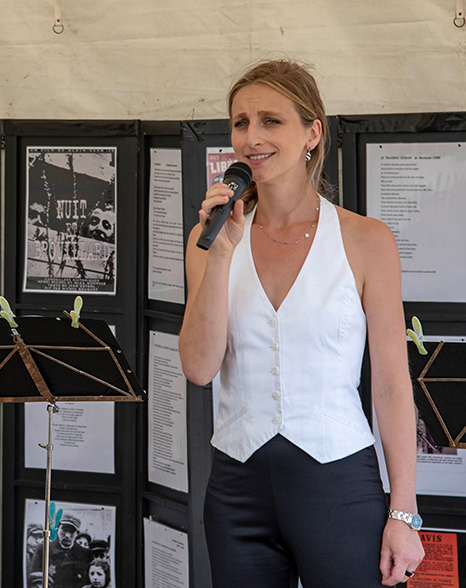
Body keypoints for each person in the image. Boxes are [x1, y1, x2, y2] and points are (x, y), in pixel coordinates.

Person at [179, 59, 425, 587]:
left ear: (312, 131)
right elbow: (198, 369)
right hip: (236, 488)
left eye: (271, 120)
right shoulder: (212, 241)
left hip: (338, 482)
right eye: (241, 122)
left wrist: (403, 512)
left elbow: (389, 383)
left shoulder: (366, 240)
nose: (252, 137)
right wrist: (220, 257)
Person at [30, 513, 90, 588]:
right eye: (64, 530)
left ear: (77, 533)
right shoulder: (43, 549)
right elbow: (35, 580)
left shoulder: (85, 554)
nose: (67, 535)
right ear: (58, 529)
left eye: (71, 531)